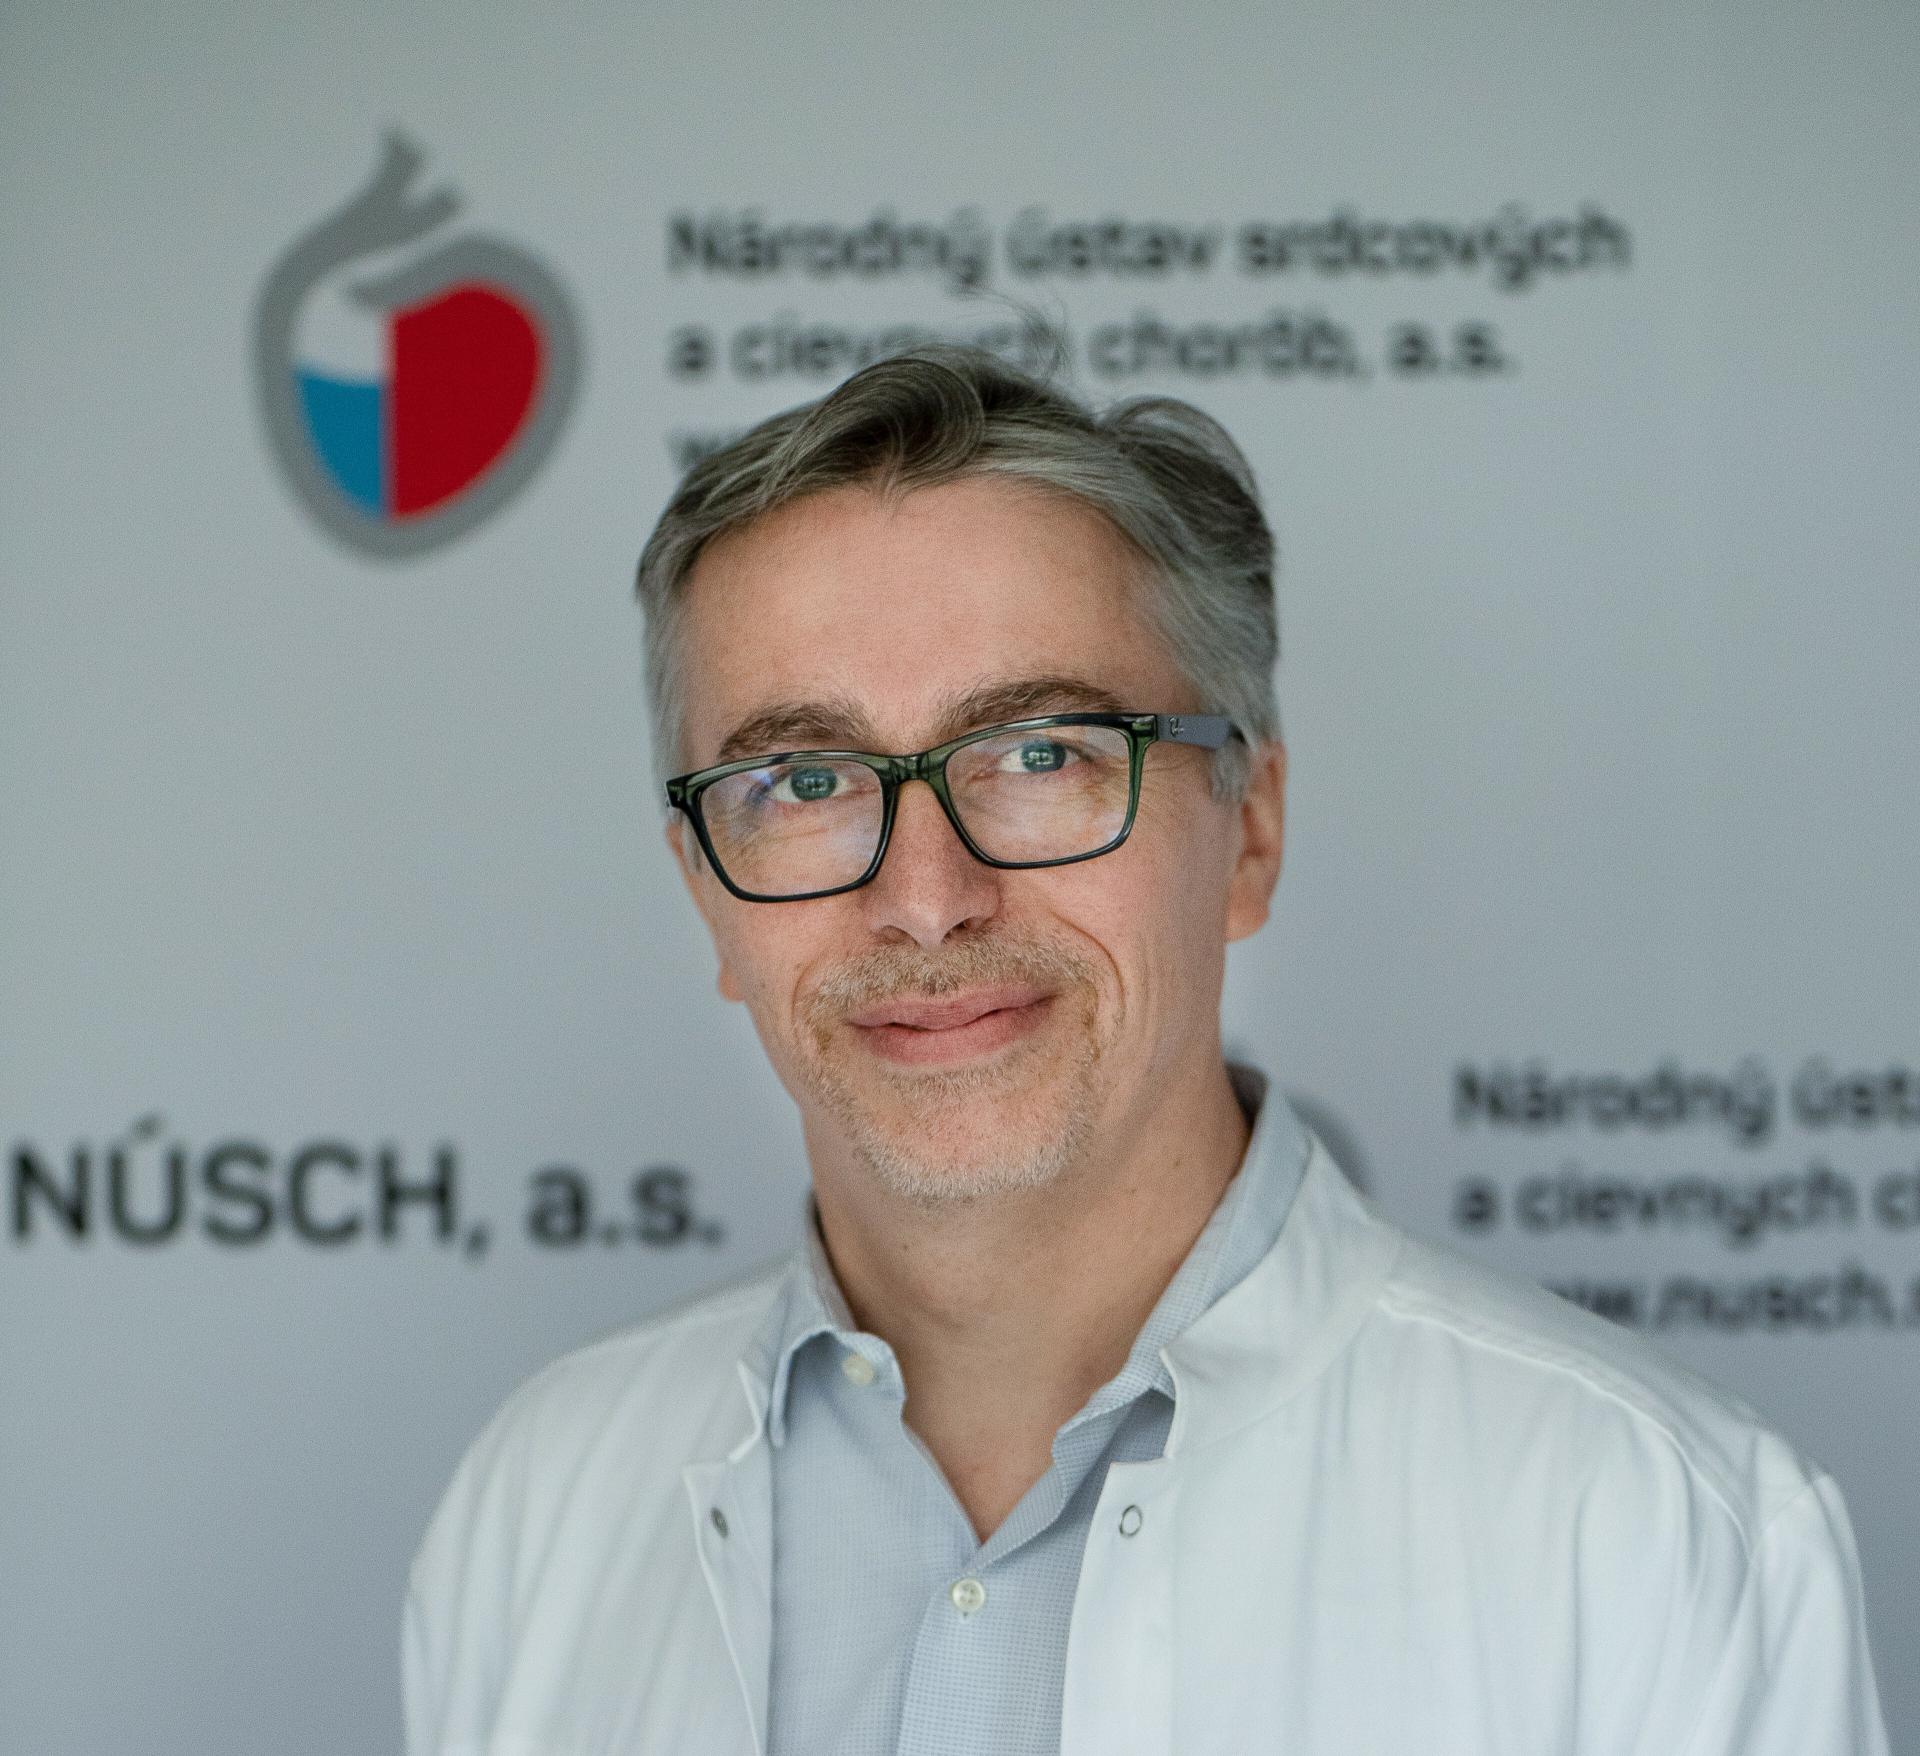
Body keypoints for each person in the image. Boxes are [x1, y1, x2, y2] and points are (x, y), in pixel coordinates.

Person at [403, 348, 1888, 1755]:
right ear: (706, 895)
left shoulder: (1656, 1533)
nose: (925, 897)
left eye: (1042, 754)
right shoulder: (536, 1513)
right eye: (803, 783)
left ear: (1251, 830)